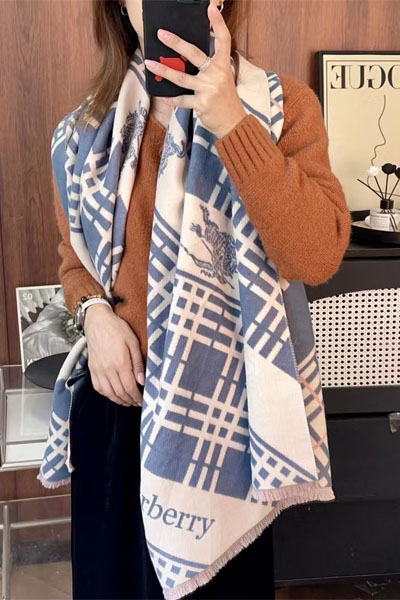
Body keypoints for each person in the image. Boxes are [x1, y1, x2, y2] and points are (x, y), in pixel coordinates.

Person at [51, 0, 352, 598]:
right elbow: (73, 260)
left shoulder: (283, 108)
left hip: (228, 429)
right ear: (121, 6)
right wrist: (94, 315)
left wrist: (233, 122)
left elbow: (316, 254)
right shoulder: (85, 131)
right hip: (116, 413)